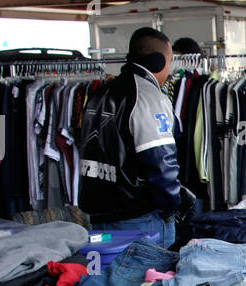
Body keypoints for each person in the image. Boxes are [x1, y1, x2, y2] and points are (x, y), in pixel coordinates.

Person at [78, 26, 193, 247]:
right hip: (139, 220)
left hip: (100, 218)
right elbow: (161, 163)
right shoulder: (148, 97)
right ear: (158, 61)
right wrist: (173, 205)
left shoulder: (100, 93)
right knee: (148, 280)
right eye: (169, 62)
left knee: (106, 278)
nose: (169, 70)